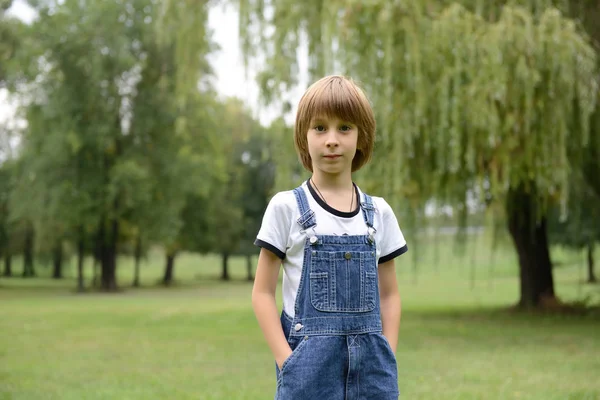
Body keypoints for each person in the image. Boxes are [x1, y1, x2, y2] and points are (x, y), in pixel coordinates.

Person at [252, 75, 408, 400]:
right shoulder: (286, 208)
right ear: (303, 138)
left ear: (362, 138)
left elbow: (390, 295)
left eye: (344, 128)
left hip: (373, 374)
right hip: (308, 374)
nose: (332, 140)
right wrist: (288, 361)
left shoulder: (378, 214)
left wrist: (387, 355)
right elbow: (262, 293)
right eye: (320, 128)